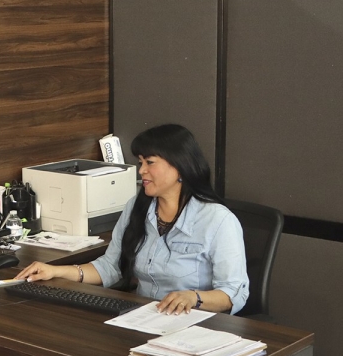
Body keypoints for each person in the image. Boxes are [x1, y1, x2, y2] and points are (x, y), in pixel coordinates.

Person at [15, 124, 249, 315]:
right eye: (140, 163)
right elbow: (110, 267)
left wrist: (193, 297)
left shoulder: (218, 221)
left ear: (179, 166)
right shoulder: (136, 207)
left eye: (150, 162)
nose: (142, 171)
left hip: (196, 324)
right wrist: (55, 271)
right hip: (144, 317)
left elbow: (233, 294)